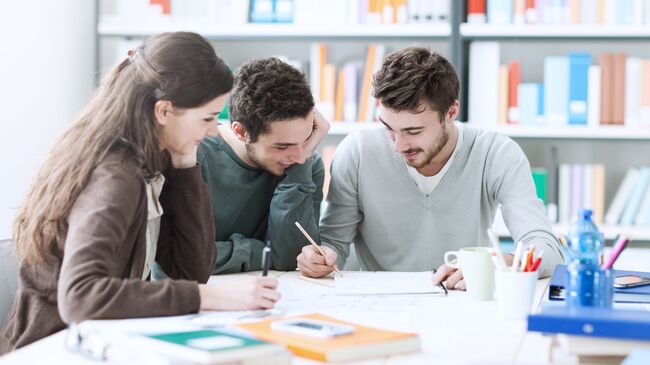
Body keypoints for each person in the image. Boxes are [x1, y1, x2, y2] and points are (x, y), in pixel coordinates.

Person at [0, 32, 280, 354]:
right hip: (54, 350)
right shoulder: (116, 175)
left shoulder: (154, 160)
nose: (214, 129)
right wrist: (210, 298)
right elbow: (80, 297)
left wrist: (186, 164)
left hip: (103, 341)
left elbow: (190, 272)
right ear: (163, 112)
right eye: (207, 118)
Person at [297, 47, 564, 288]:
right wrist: (318, 258)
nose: (399, 146)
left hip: (462, 301)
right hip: (379, 306)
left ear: (451, 112)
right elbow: (334, 246)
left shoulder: (496, 153)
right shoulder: (357, 151)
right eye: (389, 129)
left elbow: (546, 249)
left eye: (413, 131)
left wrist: (499, 264)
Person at [195, 57, 328, 274]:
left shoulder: (306, 164)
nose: (298, 156)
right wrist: (262, 252)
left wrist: (299, 169)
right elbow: (182, 260)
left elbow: (289, 259)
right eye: (282, 146)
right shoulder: (196, 156)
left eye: (304, 140)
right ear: (241, 132)